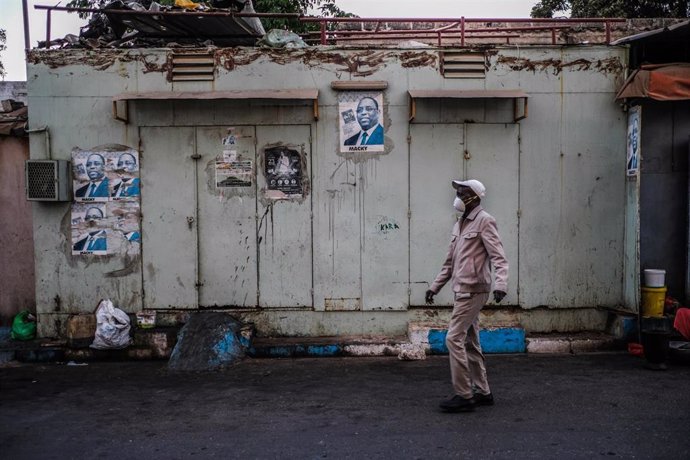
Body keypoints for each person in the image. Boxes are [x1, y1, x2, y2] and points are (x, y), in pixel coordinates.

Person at [425, 179, 508, 413]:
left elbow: (498, 257)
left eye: (463, 192)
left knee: (453, 338)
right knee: (470, 341)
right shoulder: (459, 224)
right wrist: (435, 286)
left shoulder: (485, 221)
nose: (458, 196)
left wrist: (501, 284)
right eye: (458, 192)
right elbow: (450, 262)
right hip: (461, 289)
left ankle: (464, 395)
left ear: (475, 197)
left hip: (474, 289)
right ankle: (483, 392)